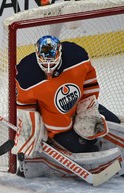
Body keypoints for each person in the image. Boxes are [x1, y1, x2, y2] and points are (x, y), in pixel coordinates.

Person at [12, 35, 122, 178]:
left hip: (80, 110)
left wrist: (87, 108)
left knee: (114, 123)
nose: (49, 68)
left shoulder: (76, 57)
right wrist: (32, 128)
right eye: (45, 64)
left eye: (53, 62)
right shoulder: (27, 74)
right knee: (85, 147)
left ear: (60, 53)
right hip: (59, 128)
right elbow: (25, 106)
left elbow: (89, 82)